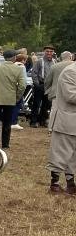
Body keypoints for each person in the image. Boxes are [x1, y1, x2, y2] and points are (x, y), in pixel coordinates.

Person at [47, 61, 76, 194]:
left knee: (73, 155)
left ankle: (71, 183)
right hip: (66, 120)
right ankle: (55, 184)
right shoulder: (70, 71)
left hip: (71, 121)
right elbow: (71, 95)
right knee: (60, 152)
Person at [0, 49, 25, 149]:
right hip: (10, 99)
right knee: (7, 122)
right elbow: (22, 85)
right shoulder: (18, 69)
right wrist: (17, 96)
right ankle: (5, 143)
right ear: (14, 57)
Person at [30, 45, 55, 127]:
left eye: (51, 51)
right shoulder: (39, 61)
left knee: (47, 104)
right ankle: (33, 121)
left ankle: (42, 121)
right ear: (44, 52)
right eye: (47, 51)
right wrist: (37, 84)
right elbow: (34, 73)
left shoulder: (55, 62)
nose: (49, 53)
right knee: (36, 104)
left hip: (49, 86)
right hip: (40, 84)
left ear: (53, 52)